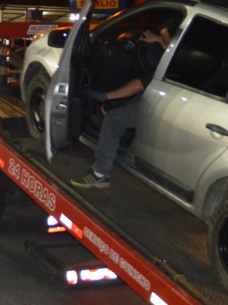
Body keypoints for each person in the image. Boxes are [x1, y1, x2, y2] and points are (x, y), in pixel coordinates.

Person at [70, 19, 178, 190]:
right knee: (132, 102)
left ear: (177, 41)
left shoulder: (176, 63)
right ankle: (131, 152)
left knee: (114, 120)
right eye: (162, 42)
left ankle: (99, 174)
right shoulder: (186, 52)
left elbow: (141, 84)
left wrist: (106, 96)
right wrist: (157, 39)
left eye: (166, 43)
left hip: (171, 105)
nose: (164, 48)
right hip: (169, 97)